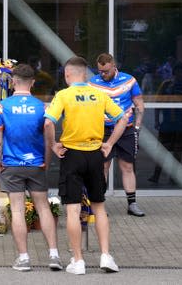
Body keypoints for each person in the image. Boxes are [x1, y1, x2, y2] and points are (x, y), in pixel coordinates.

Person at [44, 56, 128, 275]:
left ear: (67, 74)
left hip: (72, 154)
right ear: (86, 74)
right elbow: (123, 119)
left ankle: (78, 260)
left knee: (72, 209)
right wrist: (109, 144)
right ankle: (106, 256)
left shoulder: (63, 95)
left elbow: (48, 122)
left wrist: (53, 145)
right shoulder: (99, 94)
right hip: (95, 154)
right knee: (99, 206)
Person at [0, 64, 62, 272]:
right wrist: (46, 163)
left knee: (18, 210)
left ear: (13, 82)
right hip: (37, 164)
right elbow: (50, 139)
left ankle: (23, 259)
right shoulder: (43, 108)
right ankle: (54, 255)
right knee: (43, 208)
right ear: (32, 82)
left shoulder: (2, 106)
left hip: (11, 165)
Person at [89, 53, 145, 217]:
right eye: (100, 71)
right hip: (103, 130)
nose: (103, 74)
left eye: (106, 71)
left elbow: (139, 104)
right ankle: (99, 206)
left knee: (127, 166)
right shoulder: (92, 83)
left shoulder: (129, 80)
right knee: (103, 167)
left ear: (114, 66)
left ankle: (132, 204)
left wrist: (137, 127)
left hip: (126, 129)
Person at [150, 62, 182, 183]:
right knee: (162, 150)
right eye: (179, 71)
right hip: (168, 122)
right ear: (174, 72)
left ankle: (173, 177)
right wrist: (156, 120)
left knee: (178, 150)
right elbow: (158, 102)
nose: (181, 74)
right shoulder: (166, 85)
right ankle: (156, 175)